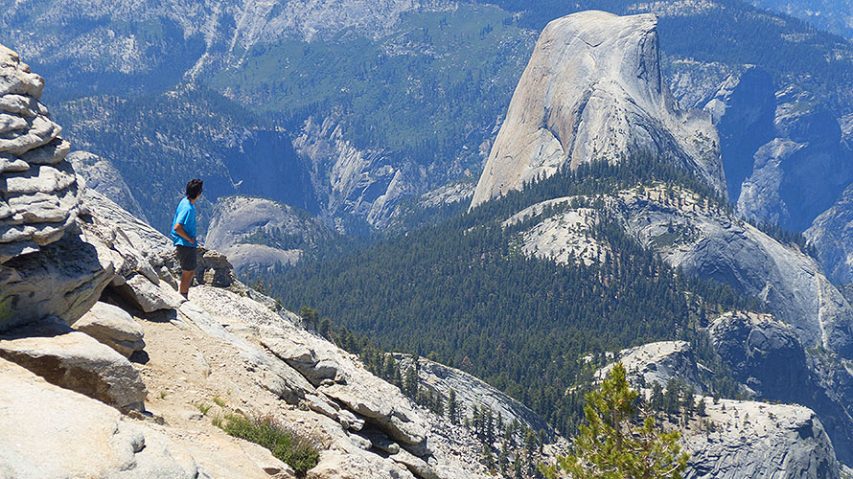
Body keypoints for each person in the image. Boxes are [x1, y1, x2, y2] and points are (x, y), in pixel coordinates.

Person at [171, 179, 203, 299]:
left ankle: (183, 294)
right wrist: (189, 239)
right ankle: (183, 296)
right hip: (185, 244)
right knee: (188, 271)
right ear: (199, 193)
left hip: (184, 243)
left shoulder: (184, 202)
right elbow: (177, 227)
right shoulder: (188, 208)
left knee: (189, 269)